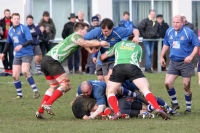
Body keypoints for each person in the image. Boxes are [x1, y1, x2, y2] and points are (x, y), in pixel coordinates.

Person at [35, 22, 109, 119]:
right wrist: (100, 43)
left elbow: (85, 45)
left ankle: (40, 111)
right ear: (81, 30)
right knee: (66, 85)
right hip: (52, 61)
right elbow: (84, 43)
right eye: (86, 30)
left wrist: (92, 51)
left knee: (53, 86)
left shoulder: (74, 38)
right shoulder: (76, 36)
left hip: (46, 60)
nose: (87, 33)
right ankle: (48, 104)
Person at [100, 35, 170, 120]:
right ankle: (158, 108)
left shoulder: (118, 44)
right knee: (145, 90)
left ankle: (117, 112)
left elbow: (103, 57)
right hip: (132, 67)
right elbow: (138, 63)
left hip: (118, 67)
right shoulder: (138, 47)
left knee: (110, 92)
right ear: (134, 40)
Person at [160, 15, 199, 114]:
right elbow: (166, 44)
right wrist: (162, 56)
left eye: (177, 22)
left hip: (186, 63)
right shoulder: (169, 31)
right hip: (173, 62)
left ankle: (188, 108)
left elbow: (196, 45)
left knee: (186, 86)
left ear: (182, 22)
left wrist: (190, 56)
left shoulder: (188, 32)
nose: (175, 24)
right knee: (167, 83)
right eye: (174, 22)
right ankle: (175, 103)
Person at [84, 18, 139, 83]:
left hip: (114, 60)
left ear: (112, 28)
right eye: (103, 30)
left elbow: (135, 30)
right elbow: (84, 39)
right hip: (103, 60)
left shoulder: (118, 31)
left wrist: (136, 37)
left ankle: (125, 90)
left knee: (110, 80)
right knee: (101, 80)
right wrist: (94, 54)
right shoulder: (97, 31)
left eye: (106, 31)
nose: (104, 33)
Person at [0, 13, 40, 99]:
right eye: (15, 19)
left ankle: (36, 91)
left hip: (27, 53)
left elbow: (30, 40)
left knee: (25, 71)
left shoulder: (24, 28)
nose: (16, 20)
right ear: (11, 20)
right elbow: (8, 42)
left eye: (18, 19)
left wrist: (21, 46)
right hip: (18, 55)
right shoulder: (10, 30)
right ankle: (19, 95)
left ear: (20, 19)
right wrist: (3, 53)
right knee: (15, 75)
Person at [0, 9, 14, 74]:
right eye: (6, 13)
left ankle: (11, 68)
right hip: (3, 40)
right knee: (4, 55)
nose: (8, 15)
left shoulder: (13, 21)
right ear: (4, 14)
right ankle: (6, 68)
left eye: (9, 13)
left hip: (11, 40)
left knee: (11, 54)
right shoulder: (1, 21)